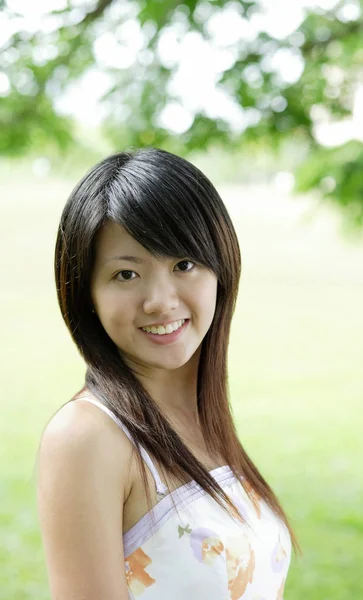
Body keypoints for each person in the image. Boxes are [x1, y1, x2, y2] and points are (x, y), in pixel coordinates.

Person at [36, 147, 300, 600]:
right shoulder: (87, 438)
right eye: (125, 274)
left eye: (183, 264)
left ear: (221, 269)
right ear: (86, 295)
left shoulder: (201, 415)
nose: (160, 300)